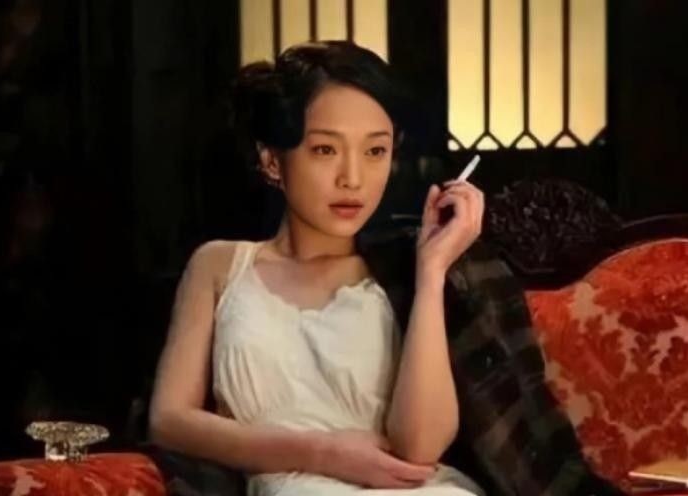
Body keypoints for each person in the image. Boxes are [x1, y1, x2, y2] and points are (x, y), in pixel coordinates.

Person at [147, 41, 485, 495]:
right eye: (326, 150)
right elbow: (168, 420)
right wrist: (323, 453)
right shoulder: (219, 265)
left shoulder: (397, 273)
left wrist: (431, 273)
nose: (353, 178)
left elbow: (421, 448)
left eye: (375, 151)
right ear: (272, 160)